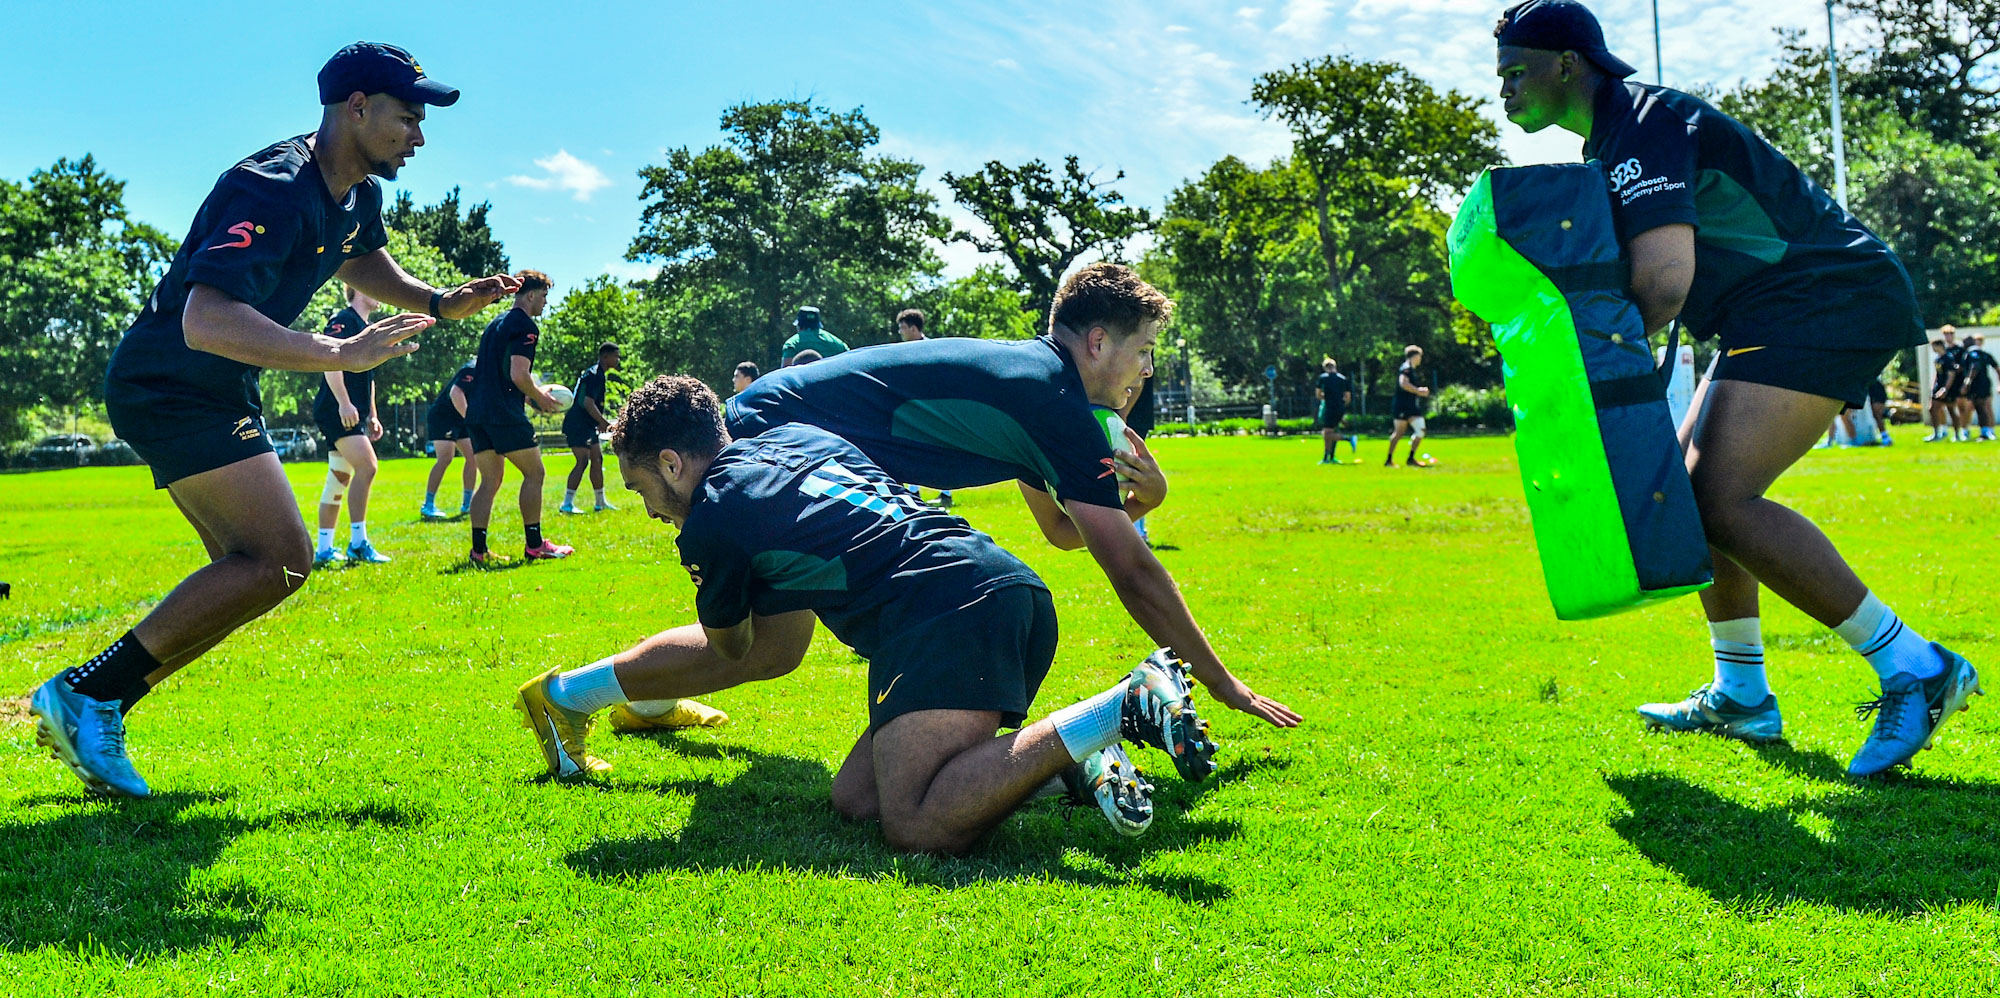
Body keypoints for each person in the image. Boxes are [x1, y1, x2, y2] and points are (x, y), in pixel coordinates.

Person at [1494, 0, 1980, 775]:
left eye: (1515, 71)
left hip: (1824, 295)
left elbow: (1662, 281)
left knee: (1719, 496)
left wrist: (1592, 380)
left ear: (1567, 62)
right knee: (1694, 497)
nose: (1504, 90)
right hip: (1776, 305)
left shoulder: (1645, 122)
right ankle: (1742, 695)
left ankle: (1916, 668)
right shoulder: (1615, 136)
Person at [29, 42, 518, 798]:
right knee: (281, 557)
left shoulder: (358, 196)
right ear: (355, 106)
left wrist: (438, 301)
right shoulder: (270, 187)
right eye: (407, 118)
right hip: (174, 382)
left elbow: (359, 260)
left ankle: (99, 702)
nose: (419, 137)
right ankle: (88, 694)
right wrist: (338, 352)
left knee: (255, 576)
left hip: (213, 390)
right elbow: (205, 319)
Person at [517, 375, 1218, 849]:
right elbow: (800, 607)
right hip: (1005, 588)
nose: (648, 507)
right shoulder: (799, 440)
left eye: (642, 485)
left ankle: (1119, 706)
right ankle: (1077, 763)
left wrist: (718, 587)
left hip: (947, 614)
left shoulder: (714, 520)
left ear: (673, 464)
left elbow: (736, 649)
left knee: (915, 826)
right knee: (859, 798)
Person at [613, 263, 1296, 733]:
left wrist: (1143, 502)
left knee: (770, 650)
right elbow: (1135, 575)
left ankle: (634, 703)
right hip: (770, 432)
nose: (1146, 370)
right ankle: (585, 697)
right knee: (763, 646)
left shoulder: (1036, 386)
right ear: (1096, 342)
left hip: (772, 425)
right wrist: (1222, 683)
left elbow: (1061, 534)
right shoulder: (1050, 400)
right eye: (1144, 350)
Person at [463, 270, 573, 564]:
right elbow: (518, 374)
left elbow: (499, 374)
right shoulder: (525, 325)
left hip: (478, 412)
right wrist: (541, 397)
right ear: (531, 295)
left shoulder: (495, 323)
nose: (546, 303)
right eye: (545, 296)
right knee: (535, 473)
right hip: (503, 413)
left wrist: (528, 395)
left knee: (489, 480)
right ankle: (535, 544)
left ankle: (478, 551)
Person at [311, 284, 391, 564]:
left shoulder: (367, 327)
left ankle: (323, 550)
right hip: (336, 409)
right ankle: (358, 543)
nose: (380, 293)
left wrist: (373, 414)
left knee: (339, 478)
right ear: (357, 289)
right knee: (368, 466)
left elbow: (368, 378)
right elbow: (329, 359)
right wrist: (345, 403)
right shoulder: (343, 320)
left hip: (352, 411)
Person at [559, 342, 620, 514]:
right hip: (578, 424)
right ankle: (567, 504)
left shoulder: (597, 373)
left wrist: (597, 422)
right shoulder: (595, 375)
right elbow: (587, 403)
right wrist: (603, 422)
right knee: (582, 461)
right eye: (615, 356)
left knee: (597, 459)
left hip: (587, 424)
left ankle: (600, 503)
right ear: (606, 356)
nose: (618, 359)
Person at [420, 361, 478, 519]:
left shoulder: (492, 373)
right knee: (445, 458)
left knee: (473, 457)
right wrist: (470, 418)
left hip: (461, 417)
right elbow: (455, 393)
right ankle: (428, 505)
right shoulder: (472, 369)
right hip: (443, 416)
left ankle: (467, 505)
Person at [1383, 345, 1432, 467]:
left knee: (1421, 430)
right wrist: (1418, 391)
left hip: (1411, 406)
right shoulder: (1406, 369)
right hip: (1402, 405)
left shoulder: (1411, 369)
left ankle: (1411, 458)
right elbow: (1403, 383)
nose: (1420, 359)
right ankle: (1389, 460)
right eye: (1420, 356)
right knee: (1399, 433)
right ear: (1415, 356)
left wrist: (1418, 391)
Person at [1931, 325, 1969, 442]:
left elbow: (1963, 367)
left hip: (1955, 384)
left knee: (1958, 408)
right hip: (1943, 384)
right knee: (1937, 408)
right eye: (1946, 334)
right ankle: (1942, 431)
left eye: (1951, 333)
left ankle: (1963, 431)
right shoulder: (1942, 354)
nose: (1949, 336)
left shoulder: (1959, 350)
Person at [1315, 357, 1354, 464]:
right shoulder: (1343, 379)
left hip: (1329, 408)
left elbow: (1318, 394)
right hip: (1340, 408)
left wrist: (1326, 397)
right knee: (1331, 432)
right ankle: (1329, 457)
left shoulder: (1323, 378)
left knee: (1326, 434)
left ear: (1325, 368)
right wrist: (1341, 405)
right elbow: (1348, 398)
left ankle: (1349, 439)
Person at [780, 306, 848, 365]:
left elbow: (785, 372)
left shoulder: (792, 344)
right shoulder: (839, 344)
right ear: (818, 325)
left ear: (799, 326)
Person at [1963, 332, 1996, 441]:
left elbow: (1975, 366)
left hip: (1977, 384)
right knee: (1980, 408)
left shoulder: (1972, 353)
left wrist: (1968, 381)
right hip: (1985, 383)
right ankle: (1985, 431)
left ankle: (1985, 432)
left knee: (1980, 408)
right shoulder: (1984, 353)